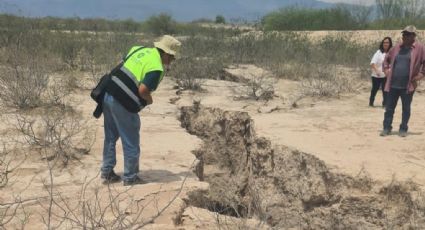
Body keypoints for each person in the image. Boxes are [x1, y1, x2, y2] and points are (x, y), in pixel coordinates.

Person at [100, 35, 181, 185]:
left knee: (110, 136)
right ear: (165, 53)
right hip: (123, 103)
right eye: (172, 57)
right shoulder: (156, 67)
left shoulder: (138, 49)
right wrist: (149, 100)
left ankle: (107, 172)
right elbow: (143, 90)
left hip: (108, 93)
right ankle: (131, 177)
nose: (172, 61)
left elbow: (126, 62)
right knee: (130, 140)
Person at [381, 25, 425, 137]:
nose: (405, 36)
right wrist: (386, 71)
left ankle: (403, 129)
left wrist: (421, 75)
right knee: (389, 108)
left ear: (413, 36)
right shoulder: (396, 48)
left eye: (408, 34)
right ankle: (386, 128)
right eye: (404, 34)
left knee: (406, 109)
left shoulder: (419, 48)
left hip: (408, 85)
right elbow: (386, 60)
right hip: (393, 84)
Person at [369, 37, 392, 107]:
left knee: (385, 90)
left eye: (387, 42)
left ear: (390, 44)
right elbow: (372, 63)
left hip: (386, 75)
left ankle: (385, 104)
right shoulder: (378, 52)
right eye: (384, 42)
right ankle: (371, 102)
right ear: (382, 43)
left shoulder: (391, 52)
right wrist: (377, 71)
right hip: (376, 75)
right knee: (374, 89)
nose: (385, 44)